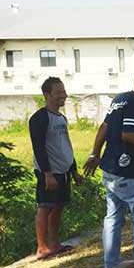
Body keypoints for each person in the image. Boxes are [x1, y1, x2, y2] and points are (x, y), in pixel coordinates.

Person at [83, 66, 134, 268]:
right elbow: (128, 135)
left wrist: (95, 154)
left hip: (110, 169)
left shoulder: (120, 99)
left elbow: (105, 126)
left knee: (113, 218)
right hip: (127, 171)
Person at [28, 77, 84, 258]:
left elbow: (65, 145)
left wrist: (74, 170)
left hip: (64, 170)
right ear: (47, 95)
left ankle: (54, 242)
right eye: (58, 92)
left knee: (59, 206)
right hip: (49, 172)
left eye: (63, 91)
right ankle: (42, 247)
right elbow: (39, 147)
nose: (63, 95)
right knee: (45, 206)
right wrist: (47, 174)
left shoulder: (61, 118)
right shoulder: (40, 118)